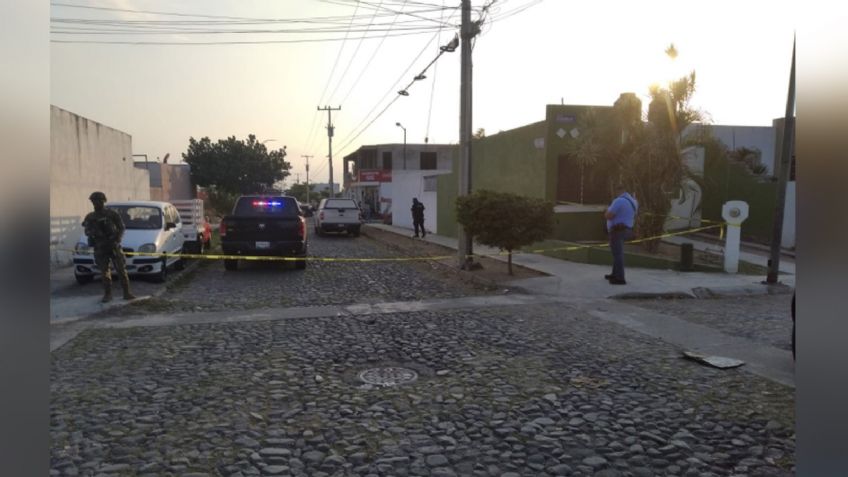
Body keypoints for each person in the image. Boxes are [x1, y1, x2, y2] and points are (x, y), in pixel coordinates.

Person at [82, 191, 136, 302]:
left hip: (113, 245)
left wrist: (117, 238)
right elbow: (86, 230)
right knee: (104, 271)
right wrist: (93, 232)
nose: (96, 203)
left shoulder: (112, 214)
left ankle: (127, 292)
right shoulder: (90, 217)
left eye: (99, 200)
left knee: (121, 269)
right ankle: (108, 294)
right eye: (94, 201)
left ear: (104, 201)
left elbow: (121, 227)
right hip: (100, 247)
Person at [604, 182, 638, 285]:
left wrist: (606, 212)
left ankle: (620, 278)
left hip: (617, 231)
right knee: (617, 253)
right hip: (627, 229)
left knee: (618, 254)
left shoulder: (618, 201)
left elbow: (609, 216)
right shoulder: (634, 201)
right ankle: (614, 273)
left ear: (618, 191)